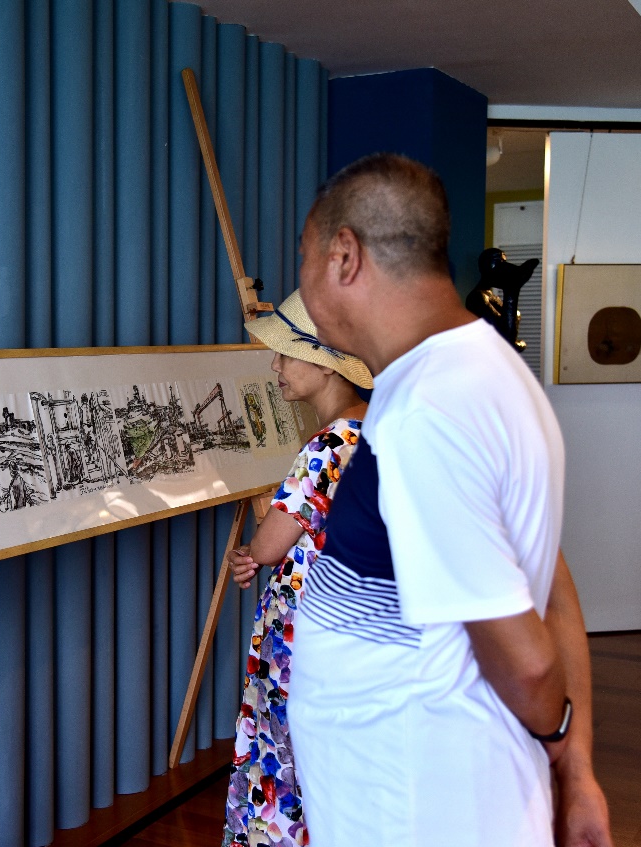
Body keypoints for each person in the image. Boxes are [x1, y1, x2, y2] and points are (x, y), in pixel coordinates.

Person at [289, 152, 611, 847]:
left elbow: (528, 659)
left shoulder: (427, 412)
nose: (302, 280)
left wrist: (560, 741)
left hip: (418, 798)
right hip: (428, 786)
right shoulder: (478, 371)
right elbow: (553, 590)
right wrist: (577, 768)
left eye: (303, 255)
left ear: (343, 255)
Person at [221, 289, 373, 847]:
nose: (276, 366)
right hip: (350, 623)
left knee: (283, 762)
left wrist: (248, 552)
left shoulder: (327, 446)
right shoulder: (374, 428)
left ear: (325, 362)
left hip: (300, 632)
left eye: (286, 354)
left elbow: (268, 545)